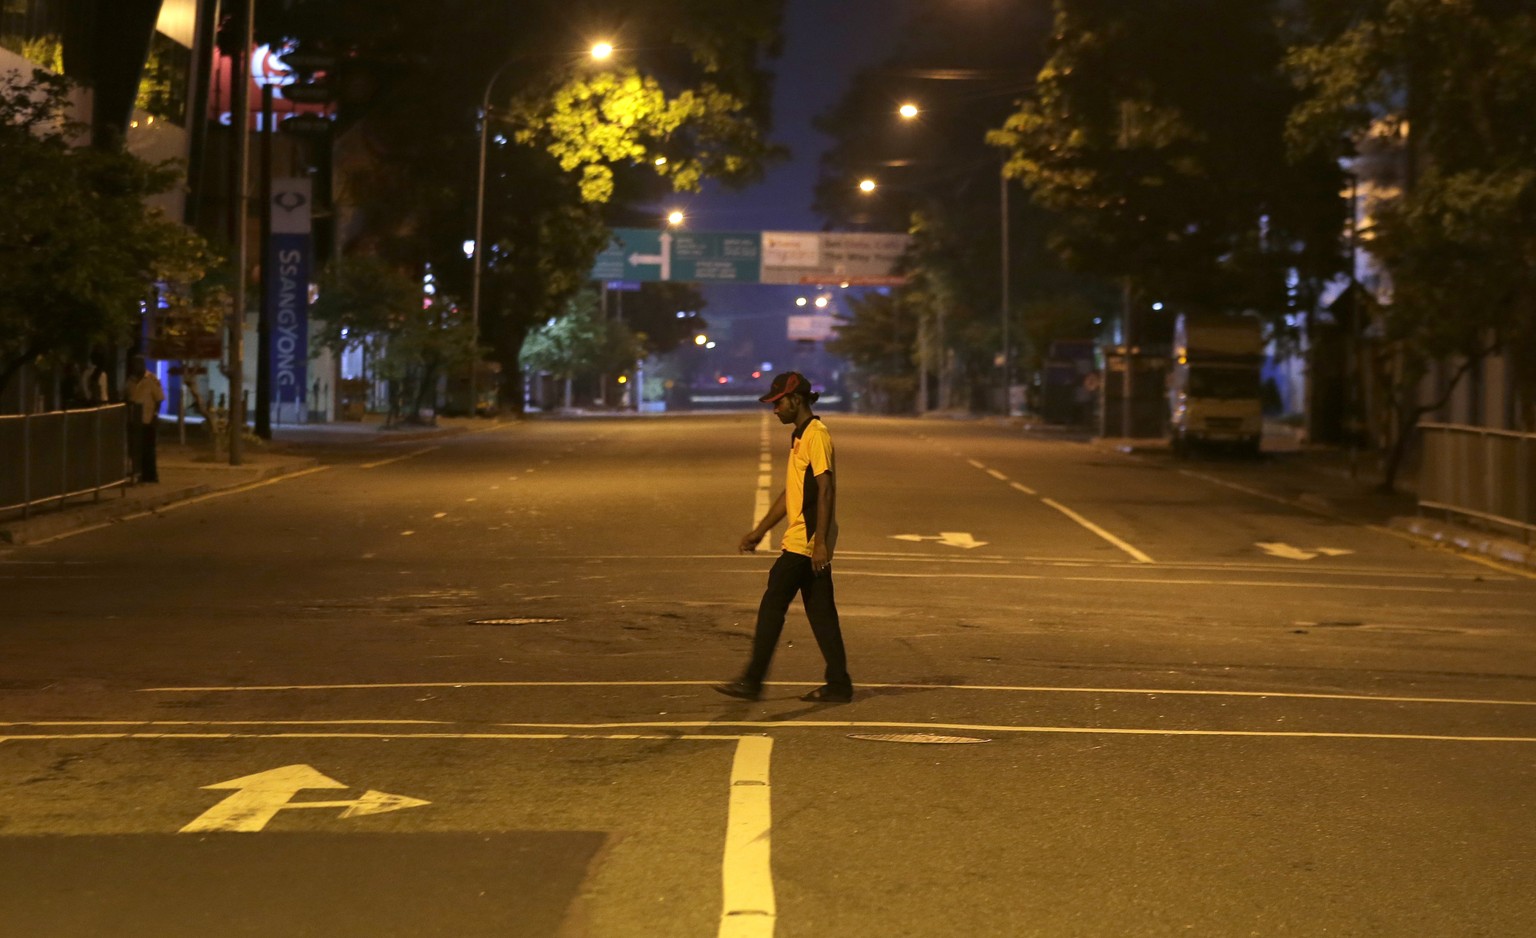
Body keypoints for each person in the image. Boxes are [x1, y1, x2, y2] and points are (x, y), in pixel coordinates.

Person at [714, 372, 853, 704]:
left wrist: (819, 542)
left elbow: (826, 488)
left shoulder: (817, 435)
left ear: (797, 400)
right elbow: (791, 491)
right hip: (806, 539)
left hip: (805, 541)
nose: (774, 409)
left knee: (773, 603)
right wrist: (760, 530)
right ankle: (839, 684)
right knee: (821, 613)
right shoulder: (800, 436)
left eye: (778, 403)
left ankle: (752, 680)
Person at [126, 356, 164, 483]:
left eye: (138, 364)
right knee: (135, 449)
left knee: (148, 449)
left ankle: (150, 476)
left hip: (147, 419)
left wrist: (155, 415)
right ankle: (138, 473)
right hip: (133, 420)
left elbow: (159, 399)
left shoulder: (151, 379)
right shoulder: (130, 380)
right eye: (134, 364)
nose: (136, 367)